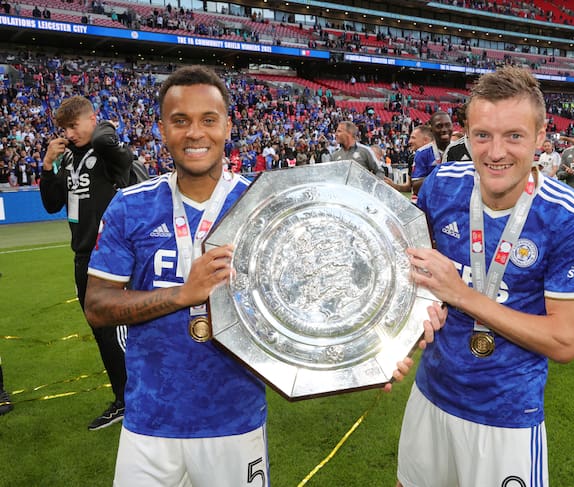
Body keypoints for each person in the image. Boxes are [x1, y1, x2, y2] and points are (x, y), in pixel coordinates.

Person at [83, 65, 426, 485]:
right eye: (180, 121)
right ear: (161, 129)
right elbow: (97, 307)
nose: (195, 133)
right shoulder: (129, 206)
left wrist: (371, 359)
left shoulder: (266, 205)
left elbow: (317, 299)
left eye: (208, 120)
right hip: (150, 422)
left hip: (235, 421)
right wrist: (182, 294)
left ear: (228, 125)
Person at [397, 66, 574, 487]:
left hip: (507, 415)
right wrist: (388, 349)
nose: (495, 152)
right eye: (482, 135)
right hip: (430, 394)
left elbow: (565, 340)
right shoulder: (442, 186)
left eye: (514, 136)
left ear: (541, 139)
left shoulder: (569, 215)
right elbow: (408, 279)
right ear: (466, 135)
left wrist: (462, 295)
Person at [39, 95, 131, 430]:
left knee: (123, 331)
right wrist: (48, 165)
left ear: (91, 119)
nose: (68, 133)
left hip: (112, 254)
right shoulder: (66, 159)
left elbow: (118, 149)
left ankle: (138, 397)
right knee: (102, 333)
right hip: (83, 255)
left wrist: (100, 128)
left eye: (73, 126)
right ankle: (124, 399)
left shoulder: (104, 149)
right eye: (63, 128)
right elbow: (51, 204)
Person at [411, 112, 453, 195]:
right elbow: (416, 188)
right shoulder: (422, 153)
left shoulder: (461, 149)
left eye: (448, 125)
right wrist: (440, 175)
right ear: (431, 130)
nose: (444, 129)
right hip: (432, 204)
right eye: (439, 126)